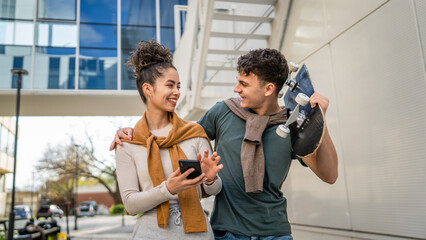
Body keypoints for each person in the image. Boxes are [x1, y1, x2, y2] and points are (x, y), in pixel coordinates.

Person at [111, 48, 338, 239]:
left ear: (269, 89)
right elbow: (178, 135)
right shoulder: (223, 112)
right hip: (227, 232)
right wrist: (135, 133)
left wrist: (319, 123)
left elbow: (329, 175)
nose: (236, 89)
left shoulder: (291, 124)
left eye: (243, 83)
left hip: (275, 232)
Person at [115, 40, 223, 239]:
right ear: (148, 89)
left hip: (198, 234)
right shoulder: (128, 143)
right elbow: (130, 203)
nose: (177, 92)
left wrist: (211, 178)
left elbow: (213, 190)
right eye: (170, 85)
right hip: (150, 233)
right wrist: (167, 189)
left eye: (178, 86)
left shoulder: (194, 132)